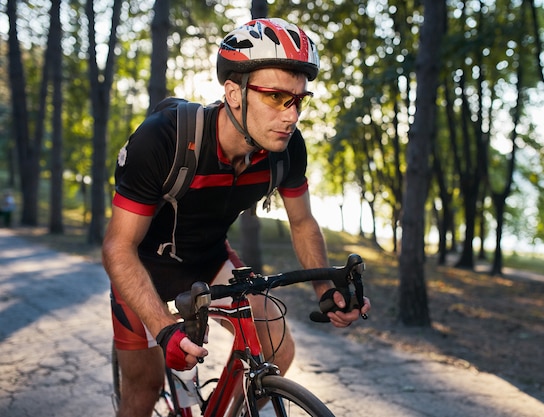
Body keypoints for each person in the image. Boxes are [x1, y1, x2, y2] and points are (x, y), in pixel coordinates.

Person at [102, 18, 371, 417]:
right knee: (143, 391)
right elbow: (117, 248)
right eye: (277, 97)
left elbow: (302, 223)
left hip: (210, 261)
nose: (291, 115)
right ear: (234, 93)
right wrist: (164, 329)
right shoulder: (165, 139)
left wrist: (323, 291)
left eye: (298, 99)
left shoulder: (286, 150)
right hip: (143, 271)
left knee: (278, 349)